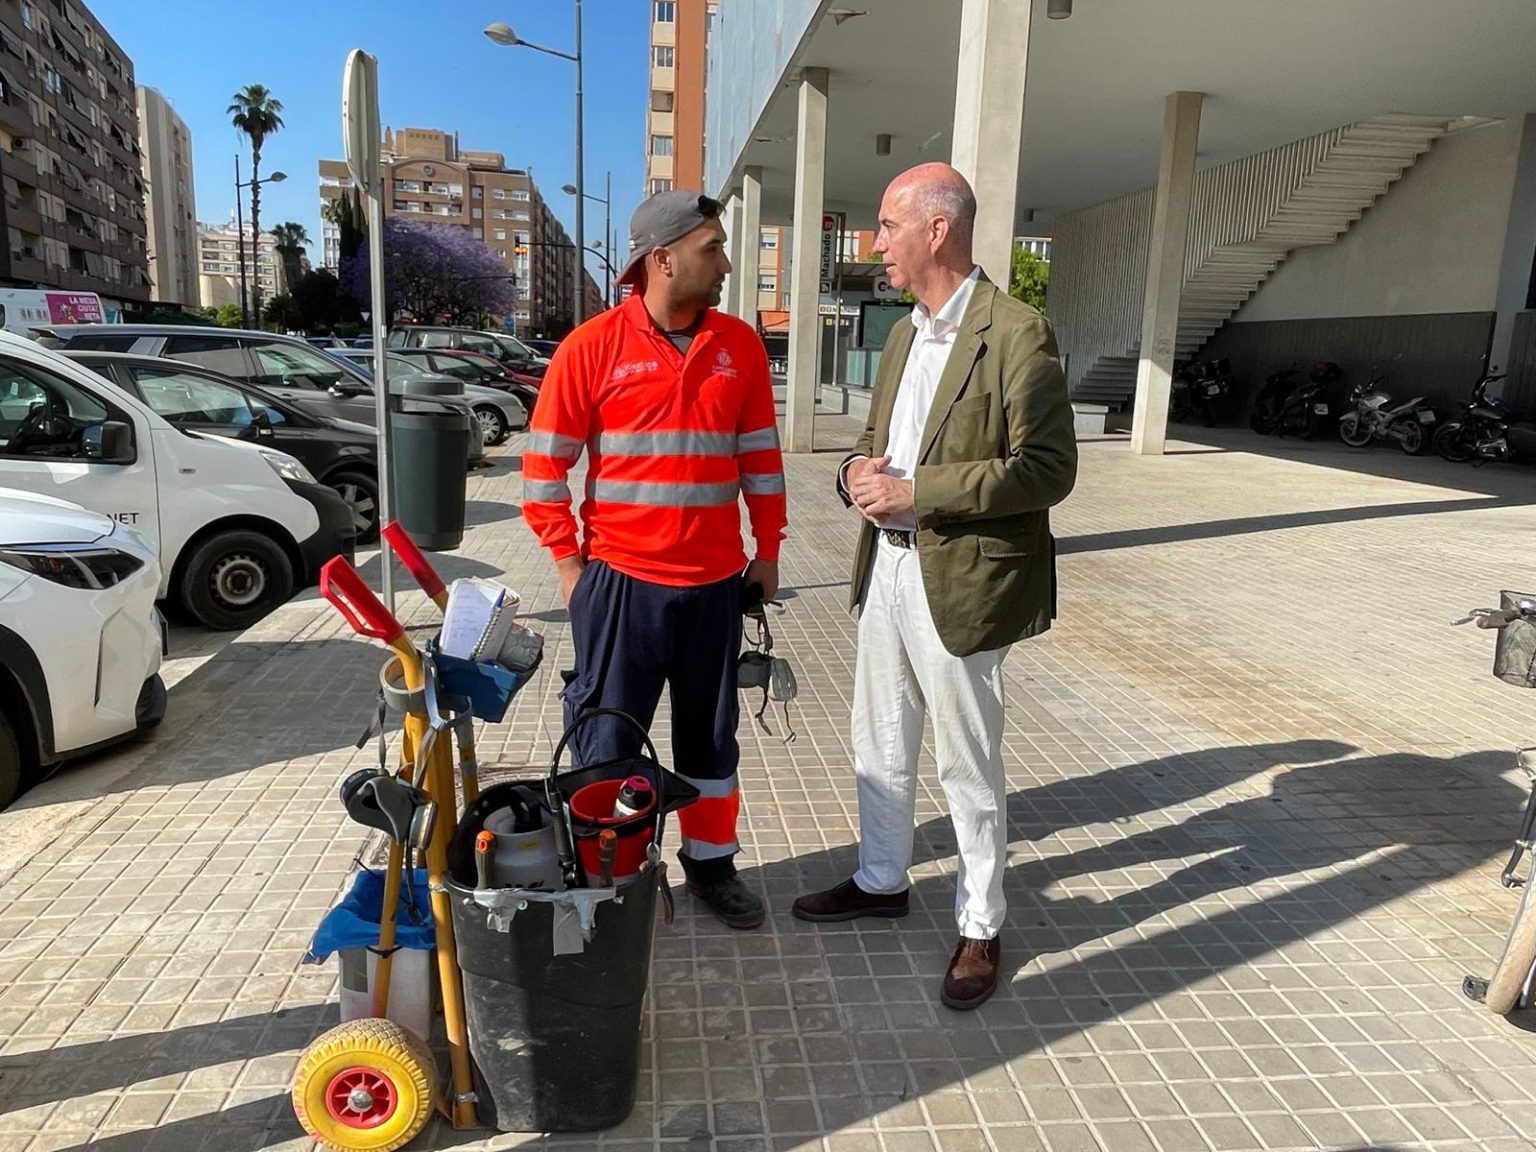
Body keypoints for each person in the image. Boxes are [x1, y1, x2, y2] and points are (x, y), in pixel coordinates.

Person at [792, 164, 1078, 1007]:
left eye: (887, 226)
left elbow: (1049, 469)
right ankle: (881, 879)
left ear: (937, 230)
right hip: (888, 565)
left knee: (966, 758)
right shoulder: (904, 333)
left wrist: (923, 494)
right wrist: (854, 474)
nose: (876, 243)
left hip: (963, 577)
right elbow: (877, 441)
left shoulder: (1017, 331)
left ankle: (981, 925)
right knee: (878, 734)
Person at [522, 190, 787, 929]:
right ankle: (613, 874)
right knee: (609, 737)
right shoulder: (592, 347)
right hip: (620, 585)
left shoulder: (740, 348)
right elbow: (544, 470)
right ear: (662, 259)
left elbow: (761, 460)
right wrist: (570, 567)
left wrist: (767, 549)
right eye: (713, 248)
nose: (727, 262)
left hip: (713, 587)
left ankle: (710, 867)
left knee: (709, 739)